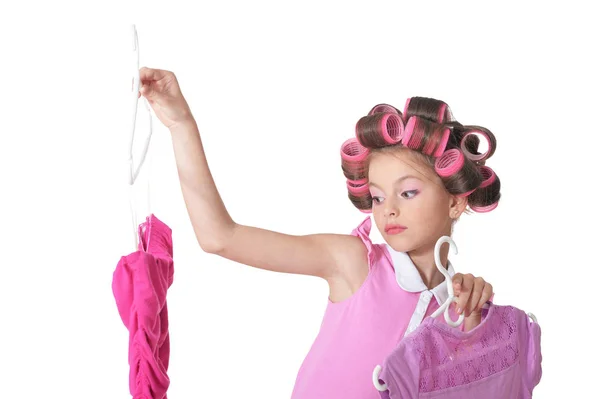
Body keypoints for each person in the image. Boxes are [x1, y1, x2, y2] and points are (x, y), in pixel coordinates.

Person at [137, 67, 496, 398]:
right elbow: (220, 237)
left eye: (408, 192)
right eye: (377, 196)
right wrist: (181, 125)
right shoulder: (354, 263)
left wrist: (474, 320)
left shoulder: (460, 307)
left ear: (455, 203)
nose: (388, 209)